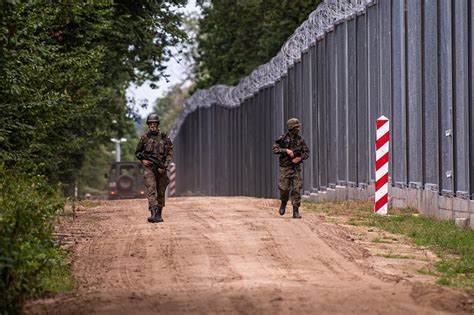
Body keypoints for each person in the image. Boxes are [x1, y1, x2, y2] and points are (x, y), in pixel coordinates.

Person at [135, 113, 173, 223]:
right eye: (151, 123)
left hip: (161, 168)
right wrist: (143, 160)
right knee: (151, 189)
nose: (153, 125)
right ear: (148, 125)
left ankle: (159, 214)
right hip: (149, 168)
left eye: (154, 123)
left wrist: (164, 166)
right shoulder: (144, 138)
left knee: (161, 191)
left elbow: (170, 152)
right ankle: (153, 213)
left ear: (157, 124)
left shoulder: (164, 137)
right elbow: (138, 152)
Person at [272, 118, 310, 218]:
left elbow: (307, 153)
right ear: (291, 128)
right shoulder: (283, 138)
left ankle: (295, 211)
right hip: (285, 168)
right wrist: (286, 151)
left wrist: (299, 158)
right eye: (296, 127)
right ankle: (284, 202)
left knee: (296, 189)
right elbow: (275, 149)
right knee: (284, 188)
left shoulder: (300, 140)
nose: (298, 129)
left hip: (296, 168)